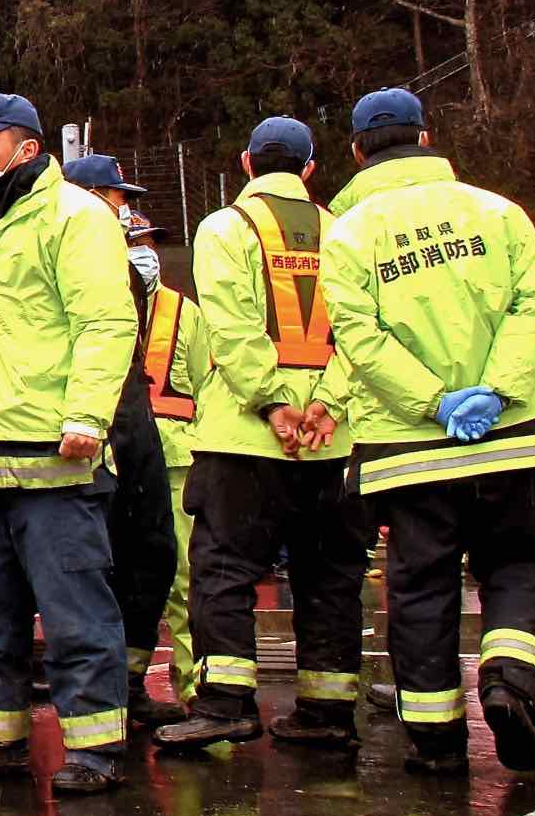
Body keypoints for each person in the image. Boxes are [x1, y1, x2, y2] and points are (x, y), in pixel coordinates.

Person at [320, 89, 535, 775]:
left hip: (408, 453)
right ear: (426, 137)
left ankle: (435, 742)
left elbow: (360, 341)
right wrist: (495, 390)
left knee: (422, 586)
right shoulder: (499, 213)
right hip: (508, 439)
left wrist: (435, 402)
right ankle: (509, 677)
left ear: (357, 152)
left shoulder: (348, 235)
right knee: (517, 562)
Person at [0, 95, 137, 796]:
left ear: (27, 148)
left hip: (55, 456)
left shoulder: (77, 216)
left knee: (75, 614)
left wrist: (86, 416)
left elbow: (105, 322)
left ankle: (96, 750)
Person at [153, 117, 372, 756]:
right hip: (332, 440)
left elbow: (231, 327)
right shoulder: (345, 230)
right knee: (329, 575)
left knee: (223, 569)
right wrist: (325, 404)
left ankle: (225, 703)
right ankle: (327, 709)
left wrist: (273, 403)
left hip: (245, 439)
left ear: (246, 164)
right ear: (310, 169)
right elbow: (359, 332)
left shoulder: (226, 228)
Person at [64, 155, 181, 725]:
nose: (126, 211)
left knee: (153, 548)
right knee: (97, 557)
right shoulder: (68, 250)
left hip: (132, 407)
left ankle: (130, 681)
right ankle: (100, 690)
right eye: (117, 198)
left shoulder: (128, 268)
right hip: (90, 415)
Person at [130, 214, 212, 709]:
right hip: (118, 455)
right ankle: (126, 680)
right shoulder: (96, 300)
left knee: (184, 578)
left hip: (175, 455)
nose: (145, 253)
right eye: (135, 243)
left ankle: (193, 687)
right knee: (129, 577)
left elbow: (207, 386)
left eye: (149, 243)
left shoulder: (186, 313)